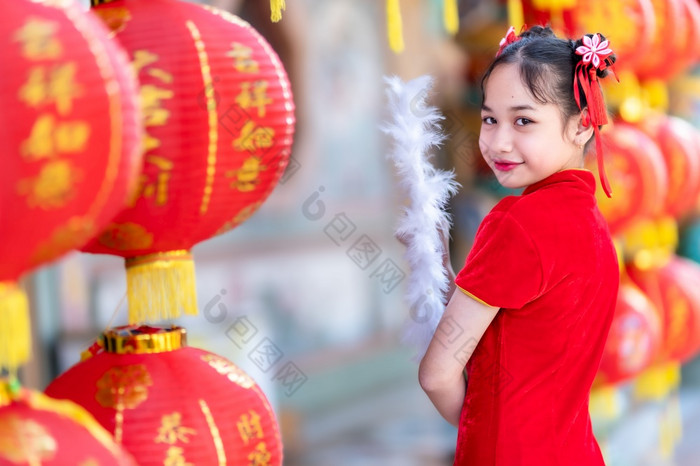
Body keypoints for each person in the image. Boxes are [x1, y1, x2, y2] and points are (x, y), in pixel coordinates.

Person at [418, 25, 620, 465]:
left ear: (582, 125)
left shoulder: (517, 221)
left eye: (523, 120)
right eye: (490, 118)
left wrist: (485, 426)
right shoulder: (594, 228)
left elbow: (437, 375)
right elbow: (523, 334)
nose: (497, 141)